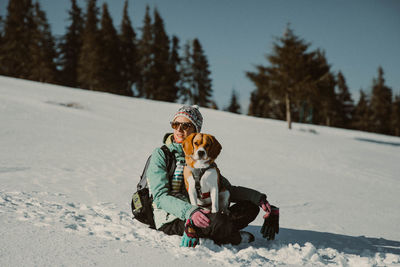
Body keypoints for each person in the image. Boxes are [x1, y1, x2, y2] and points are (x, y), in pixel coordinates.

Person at [146, 105, 279, 247]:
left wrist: (257, 198)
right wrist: (190, 212)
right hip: (172, 218)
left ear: (195, 130)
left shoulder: (202, 157)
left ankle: (221, 230)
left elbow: (224, 188)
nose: (179, 129)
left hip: (201, 212)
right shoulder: (161, 155)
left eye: (185, 125)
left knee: (250, 208)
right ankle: (234, 237)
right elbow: (160, 197)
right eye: (175, 124)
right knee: (219, 221)